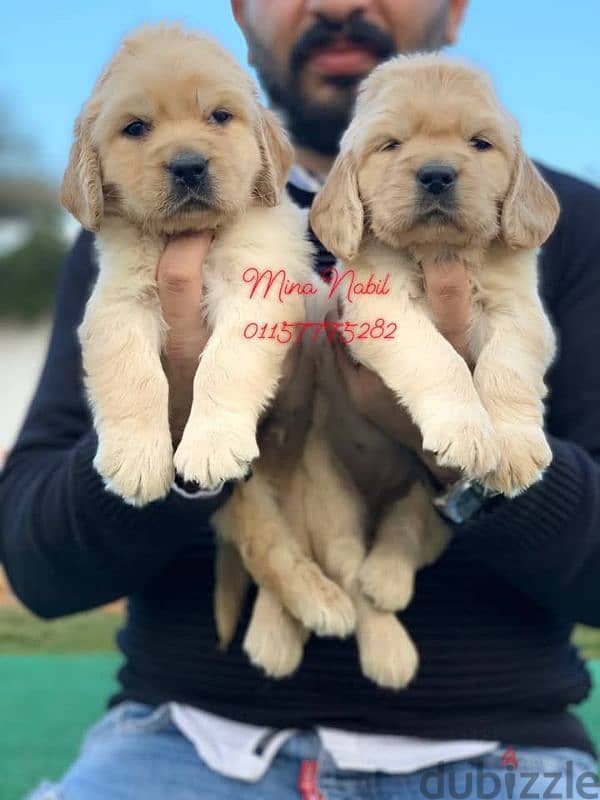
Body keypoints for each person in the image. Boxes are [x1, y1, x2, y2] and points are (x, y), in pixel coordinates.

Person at [1, 1, 600, 798]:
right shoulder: (125, 220)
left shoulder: (570, 227)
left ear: (456, 12)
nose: (337, 3)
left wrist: (465, 456)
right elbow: (38, 570)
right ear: (242, 12)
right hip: (186, 736)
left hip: (501, 745)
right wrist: (179, 430)